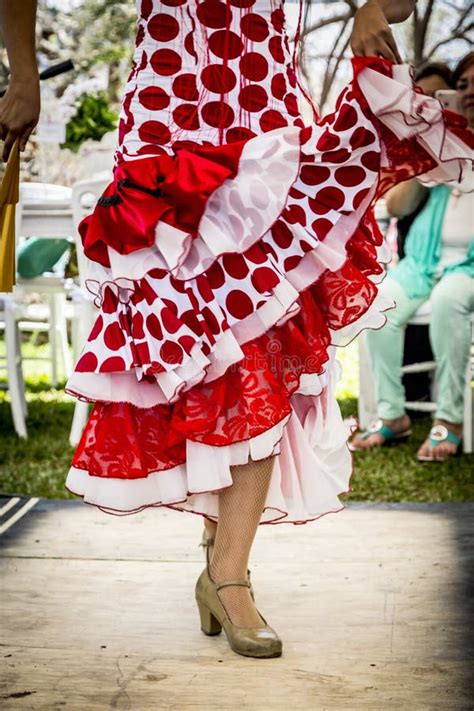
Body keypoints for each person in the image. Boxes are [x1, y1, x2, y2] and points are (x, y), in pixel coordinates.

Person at [1, 0, 471, 659]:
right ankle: (219, 562)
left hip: (268, 122)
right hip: (170, 122)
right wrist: (25, 73)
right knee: (193, 350)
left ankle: (229, 571)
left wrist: (367, 5)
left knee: (263, 346)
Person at [351, 51, 474, 462]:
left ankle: (450, 419)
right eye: (462, 85)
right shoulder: (443, 139)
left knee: (448, 301)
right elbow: (399, 206)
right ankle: (392, 414)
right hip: (422, 262)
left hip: (468, 269)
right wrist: (431, 145)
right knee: (380, 304)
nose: (469, 91)